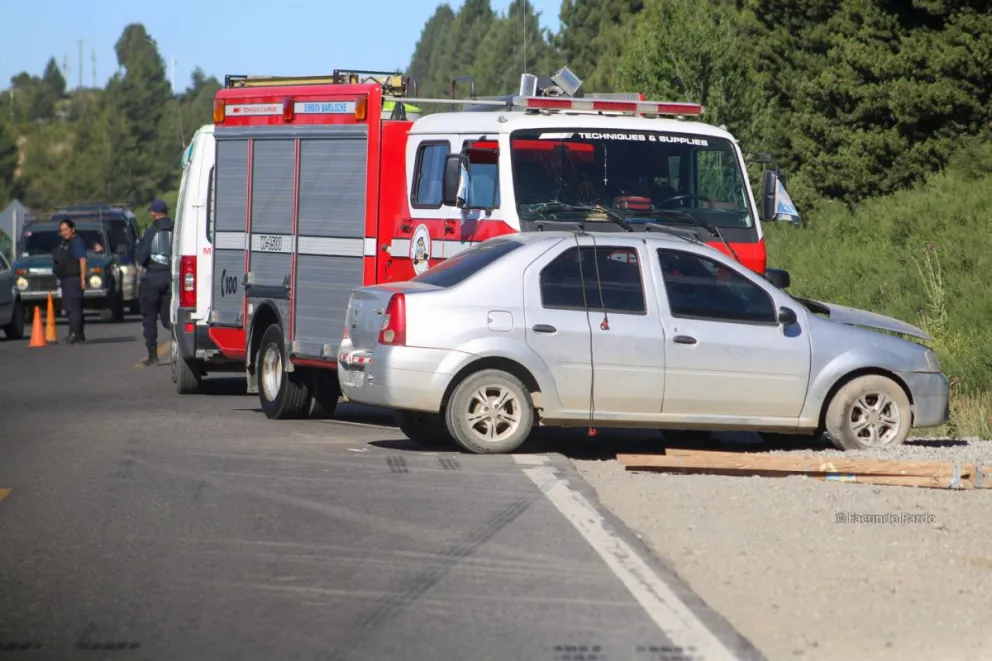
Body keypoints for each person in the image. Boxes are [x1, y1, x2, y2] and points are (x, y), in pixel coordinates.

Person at [134, 198, 174, 366]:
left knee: (149, 316)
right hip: (172, 278)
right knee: (168, 318)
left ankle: (152, 354)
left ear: (153, 213)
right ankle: (182, 346)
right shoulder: (177, 229)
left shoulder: (151, 232)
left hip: (153, 277)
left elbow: (141, 257)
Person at [52, 219, 87, 344]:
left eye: (66, 230)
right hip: (65, 279)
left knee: (74, 308)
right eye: (62, 230)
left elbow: (82, 260)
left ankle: (75, 334)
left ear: (73, 229)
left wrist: (83, 279)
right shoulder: (64, 243)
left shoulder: (76, 242)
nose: (64, 233)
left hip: (74, 278)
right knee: (69, 307)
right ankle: (76, 333)